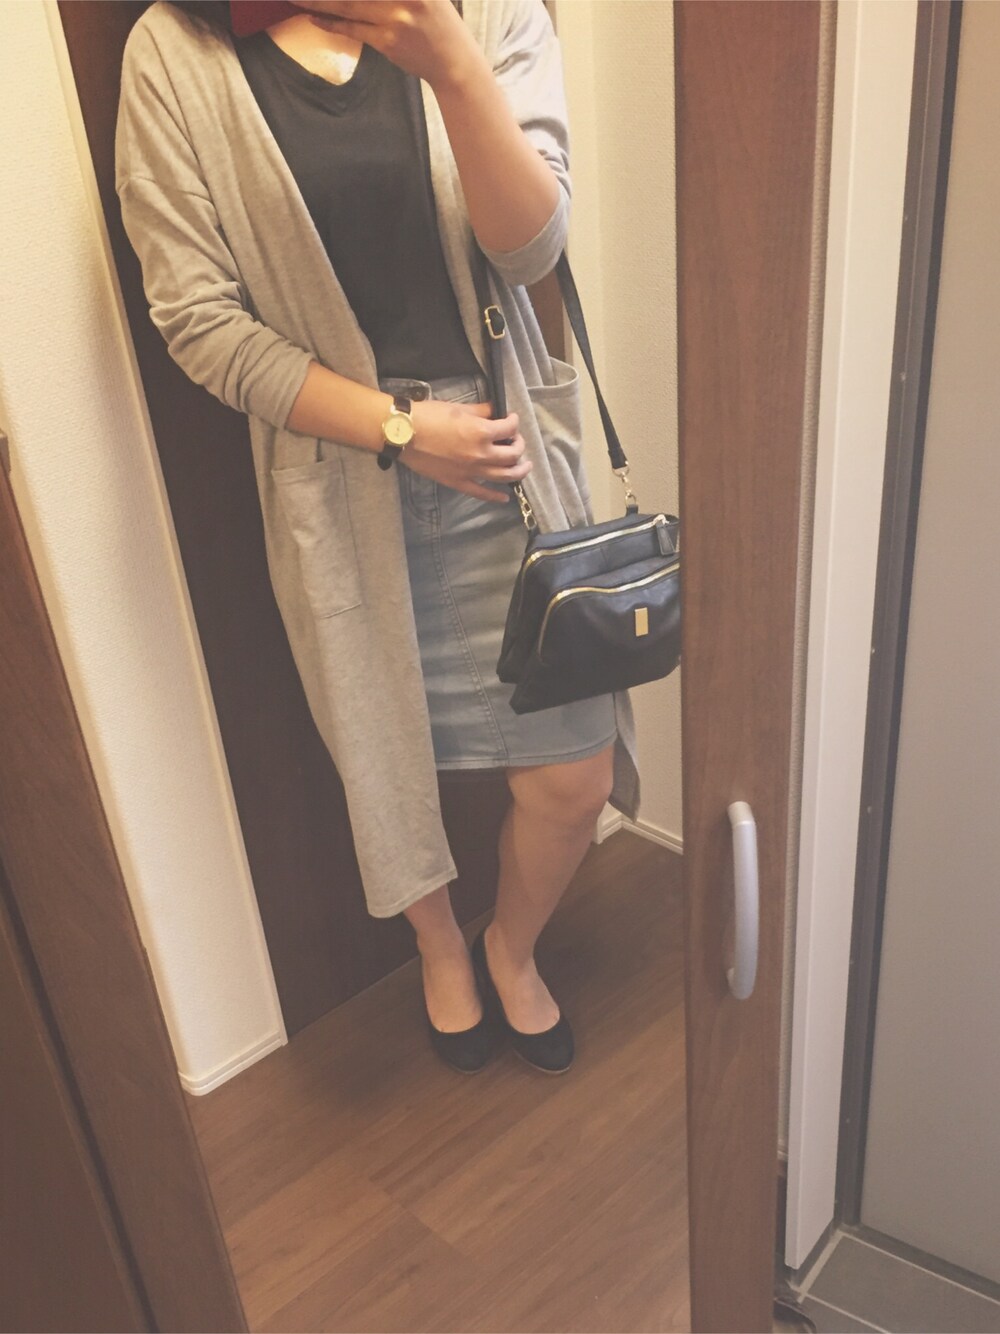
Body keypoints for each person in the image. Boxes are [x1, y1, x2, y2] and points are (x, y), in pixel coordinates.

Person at [115, 0, 641, 1076]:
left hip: (504, 459)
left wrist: (450, 60)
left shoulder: (483, 11)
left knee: (574, 773)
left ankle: (509, 944)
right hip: (341, 473)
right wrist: (401, 429)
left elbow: (534, 246)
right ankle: (441, 946)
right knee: (382, 765)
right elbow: (199, 323)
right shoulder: (176, 51)